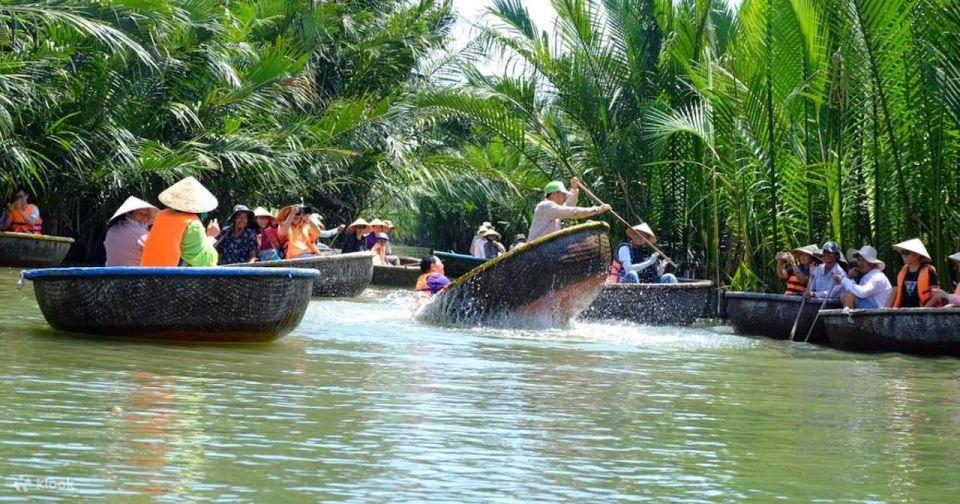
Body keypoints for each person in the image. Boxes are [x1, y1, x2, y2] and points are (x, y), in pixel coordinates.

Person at [141, 176, 220, 267]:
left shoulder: (162, 216)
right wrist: (211, 236)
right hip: (175, 278)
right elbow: (204, 260)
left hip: (150, 273)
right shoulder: (192, 225)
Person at [527, 177, 610, 241]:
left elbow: (568, 206)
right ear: (555, 194)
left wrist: (574, 189)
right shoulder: (545, 206)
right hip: (537, 249)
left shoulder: (553, 208)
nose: (564, 198)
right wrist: (597, 209)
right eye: (563, 195)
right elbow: (573, 212)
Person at [609, 223, 678, 284]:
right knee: (632, 274)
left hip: (646, 286)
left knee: (669, 277)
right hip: (629, 283)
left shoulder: (647, 253)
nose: (639, 237)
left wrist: (661, 267)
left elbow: (657, 276)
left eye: (643, 236)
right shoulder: (625, 248)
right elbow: (628, 269)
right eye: (637, 234)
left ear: (647, 240)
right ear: (632, 236)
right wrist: (650, 262)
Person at [104, 196, 160, 266]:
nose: (144, 218)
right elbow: (159, 255)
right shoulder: (142, 234)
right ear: (129, 213)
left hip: (111, 275)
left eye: (146, 215)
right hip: (136, 275)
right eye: (140, 214)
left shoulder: (111, 230)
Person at [887, 238, 940, 308]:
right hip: (902, 312)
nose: (903, 256)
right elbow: (894, 291)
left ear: (917, 255)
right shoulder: (902, 271)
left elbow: (936, 295)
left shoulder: (929, 271)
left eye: (906, 253)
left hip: (923, 314)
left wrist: (924, 310)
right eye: (902, 253)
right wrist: (885, 309)